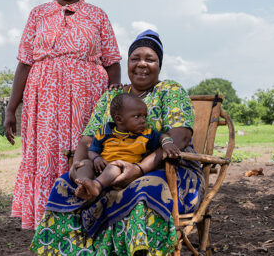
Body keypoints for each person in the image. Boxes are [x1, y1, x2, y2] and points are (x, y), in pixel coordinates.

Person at [30, 29, 204, 255]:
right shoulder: (112, 97)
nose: (142, 64)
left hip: (168, 169)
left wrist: (138, 169)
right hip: (107, 168)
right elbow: (87, 139)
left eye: (150, 59)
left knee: (143, 190)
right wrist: (80, 169)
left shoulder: (169, 90)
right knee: (65, 184)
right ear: (128, 63)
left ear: (159, 65)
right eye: (135, 58)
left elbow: (180, 137)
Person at [3, 0, 122, 230]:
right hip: (43, 100)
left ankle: (84, 216)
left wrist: (112, 100)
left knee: (81, 153)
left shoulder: (97, 15)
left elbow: (113, 62)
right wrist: (11, 109)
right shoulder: (37, 14)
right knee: (47, 156)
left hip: (87, 99)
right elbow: (24, 64)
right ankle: (48, 220)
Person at [74, 94, 178, 200]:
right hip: (101, 168)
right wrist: (96, 158)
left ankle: (96, 186)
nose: (143, 120)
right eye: (137, 116)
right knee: (85, 163)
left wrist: (166, 143)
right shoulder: (104, 132)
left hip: (124, 170)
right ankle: (83, 185)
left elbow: (162, 136)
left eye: (144, 116)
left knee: (114, 167)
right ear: (119, 120)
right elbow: (92, 150)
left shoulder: (146, 134)